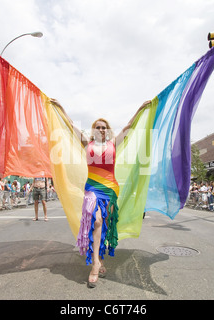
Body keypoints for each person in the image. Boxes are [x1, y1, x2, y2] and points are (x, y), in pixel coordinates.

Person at [51, 98, 150, 288]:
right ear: (93, 129)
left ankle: (99, 259)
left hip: (110, 189)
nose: (101, 129)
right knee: (95, 221)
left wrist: (140, 108)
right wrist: (60, 107)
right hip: (92, 188)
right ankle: (95, 264)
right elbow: (70, 125)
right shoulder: (87, 143)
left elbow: (130, 125)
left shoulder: (113, 143)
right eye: (98, 127)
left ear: (108, 130)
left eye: (104, 127)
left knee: (102, 226)